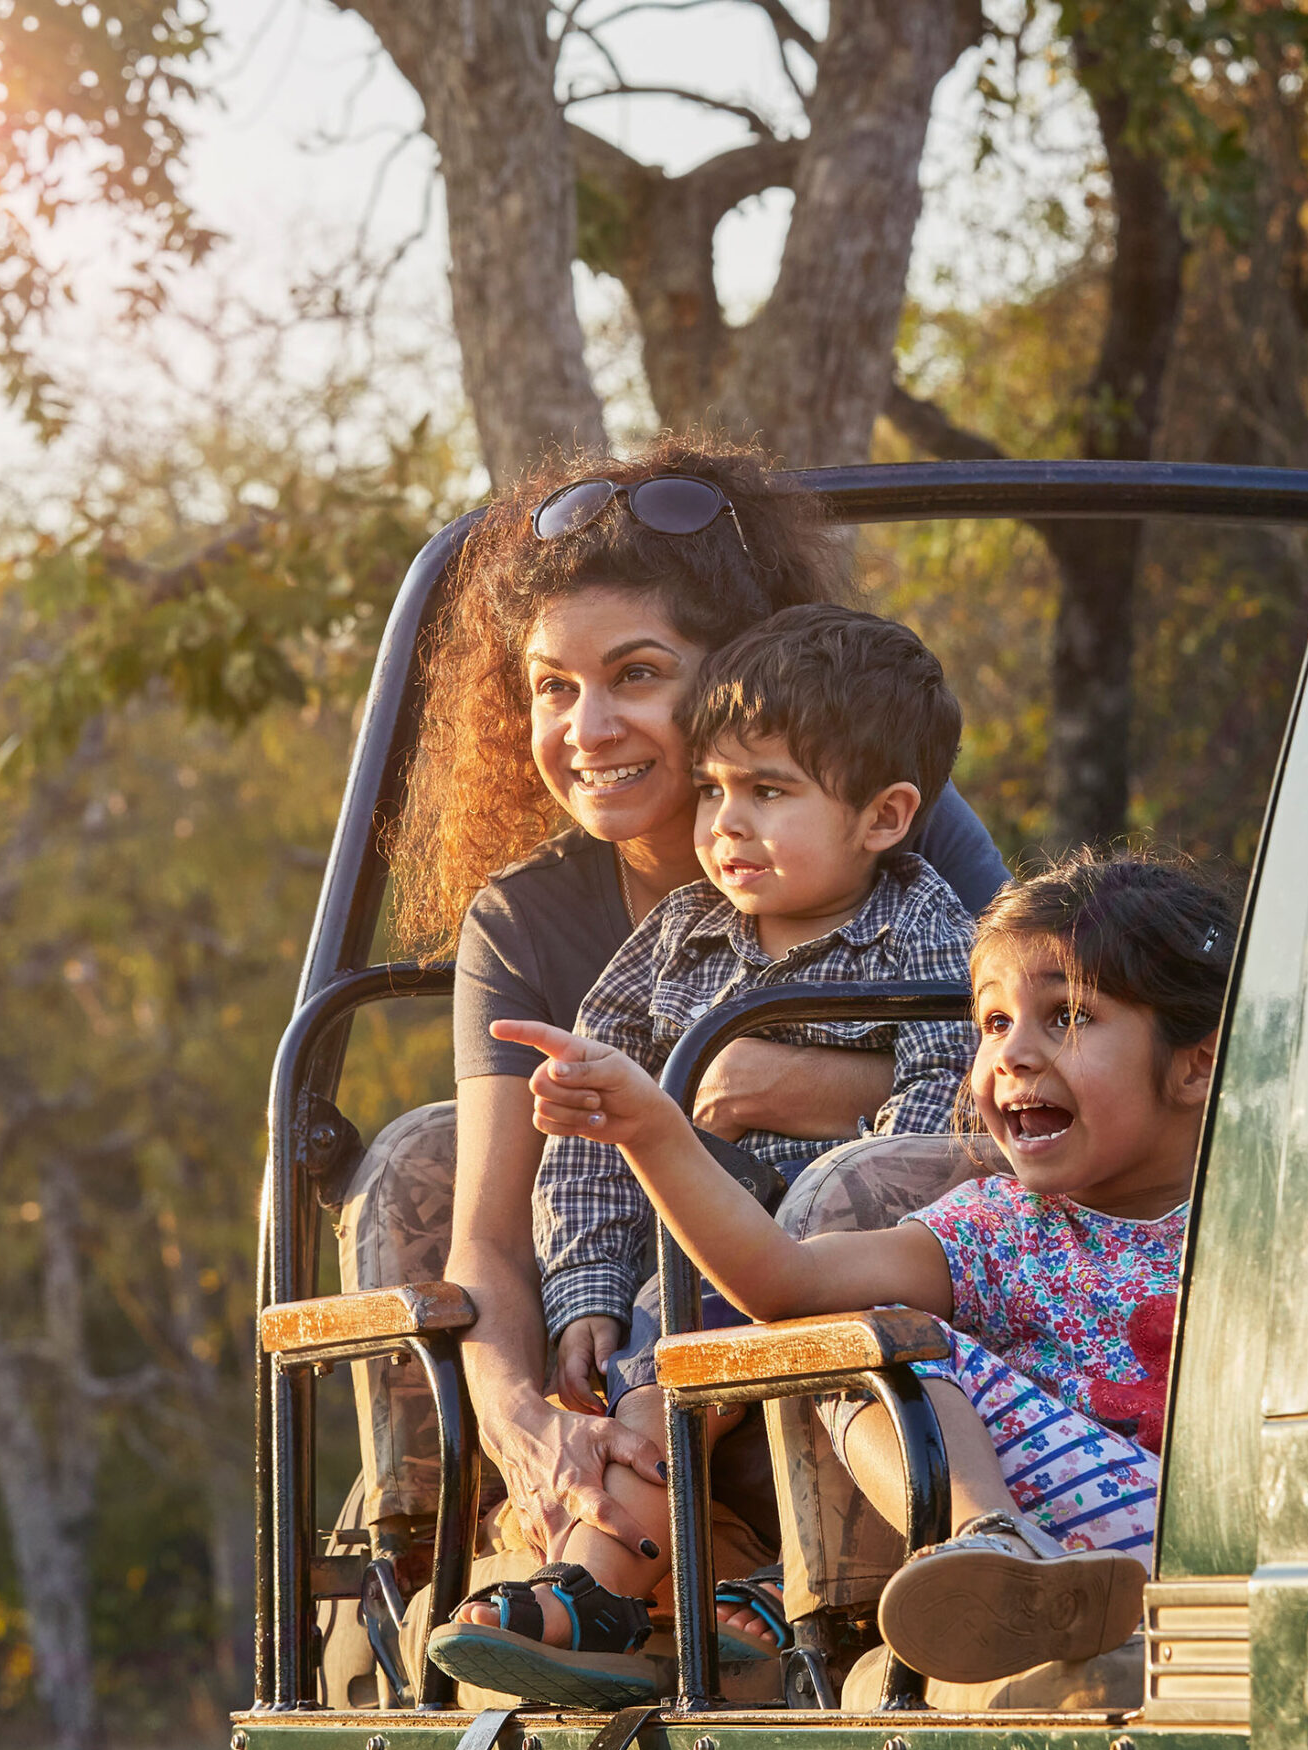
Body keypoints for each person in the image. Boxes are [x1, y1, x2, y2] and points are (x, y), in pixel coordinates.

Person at [339, 439, 1009, 1623]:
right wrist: (527, 1424)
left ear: (734, 674)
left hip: (851, 1308)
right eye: (551, 685)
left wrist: (765, 1084)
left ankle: (912, 1554)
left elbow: (1002, 1089)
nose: (586, 726)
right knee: (424, 1159)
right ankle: (595, 1564)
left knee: (836, 1201)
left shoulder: (890, 834)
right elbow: (494, 1230)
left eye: (635, 673)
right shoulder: (529, 917)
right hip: (636, 1344)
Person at [489, 849, 1239, 1688]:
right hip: (1080, 1549)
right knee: (851, 1339)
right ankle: (991, 1548)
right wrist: (653, 1129)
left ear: (1196, 1063)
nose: (1013, 1055)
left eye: (1067, 1016)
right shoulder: (995, 1228)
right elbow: (783, 1281)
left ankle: (1003, 1555)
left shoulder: (1279, 1212)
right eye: (993, 1023)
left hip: (1241, 1529)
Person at [421, 604, 978, 1707]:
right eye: (716, 789)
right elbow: (584, 1123)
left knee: (756, 1285)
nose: (723, 823)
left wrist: (832, 1160)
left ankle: (661, 1585)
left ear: (884, 817)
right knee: (647, 1348)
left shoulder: (929, 935)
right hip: (685, 1264)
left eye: (765, 793)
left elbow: (949, 1109)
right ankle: (627, 1581)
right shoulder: (678, 939)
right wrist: (580, 1288)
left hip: (844, 1263)